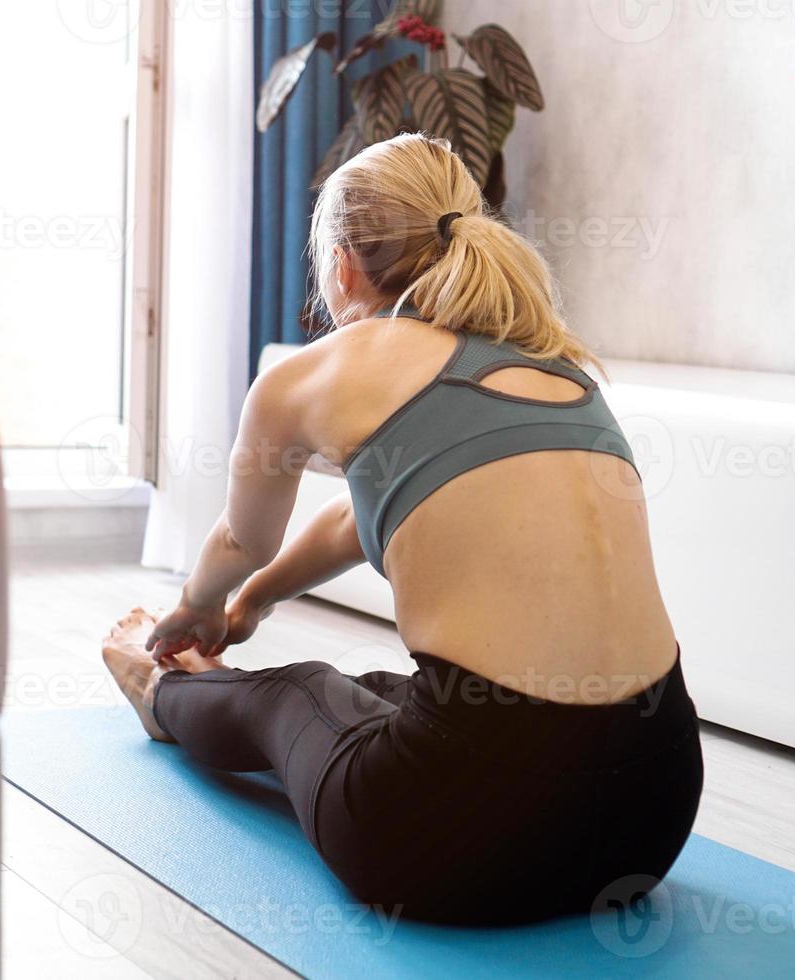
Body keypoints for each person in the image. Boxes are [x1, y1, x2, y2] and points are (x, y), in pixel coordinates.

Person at [102, 134, 703, 925]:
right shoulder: (554, 363)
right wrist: (255, 604)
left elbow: (241, 540)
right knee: (382, 692)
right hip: (651, 815)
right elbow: (365, 517)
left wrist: (202, 607)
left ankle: (164, 695)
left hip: (458, 848)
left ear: (344, 262)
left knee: (298, 693)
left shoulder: (314, 372)